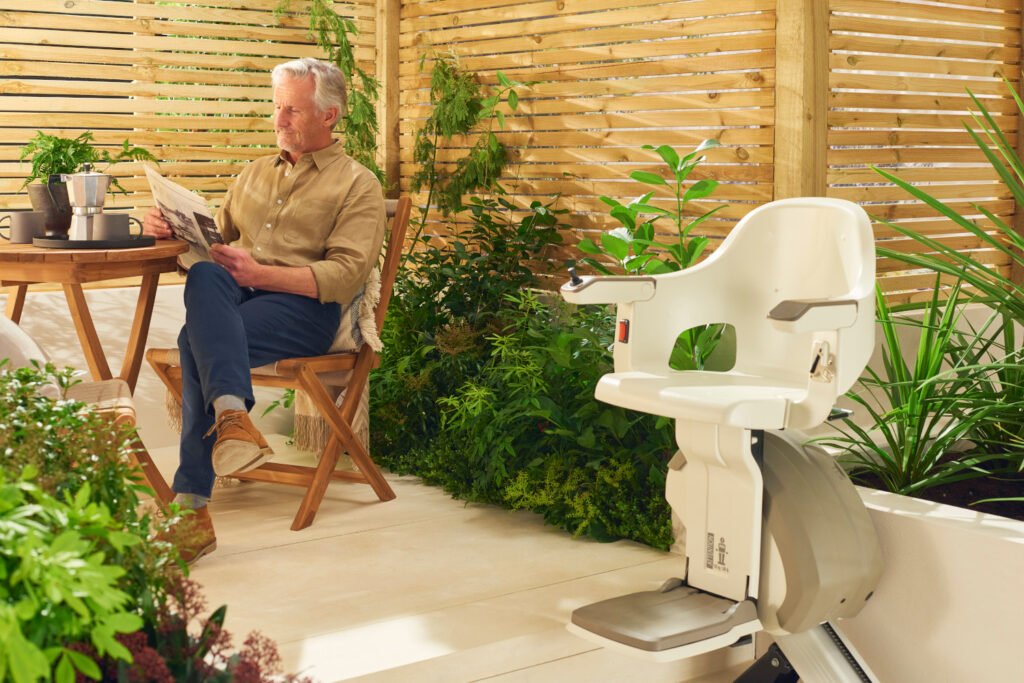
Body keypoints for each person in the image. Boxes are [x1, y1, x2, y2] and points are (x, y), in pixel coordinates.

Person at [144, 57, 386, 563]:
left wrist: (260, 275)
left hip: (304, 311)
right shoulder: (254, 173)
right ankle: (233, 417)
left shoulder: (357, 184)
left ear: (330, 115)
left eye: (292, 111)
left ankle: (191, 506)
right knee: (209, 276)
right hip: (240, 303)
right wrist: (172, 231)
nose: (278, 120)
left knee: (194, 342)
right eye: (277, 107)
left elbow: (343, 276)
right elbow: (214, 247)